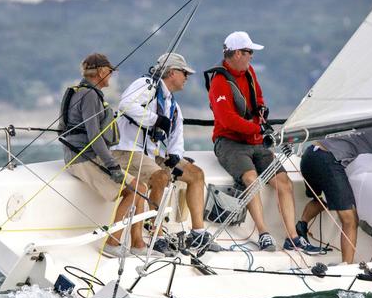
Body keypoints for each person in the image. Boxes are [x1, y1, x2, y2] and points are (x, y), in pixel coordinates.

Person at [206, 31, 320, 254]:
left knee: (284, 183)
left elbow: (258, 97)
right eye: (249, 52)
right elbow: (227, 120)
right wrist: (257, 129)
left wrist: (261, 109)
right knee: (251, 179)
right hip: (230, 143)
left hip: (255, 140)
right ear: (237, 53)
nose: (252, 56)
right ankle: (263, 233)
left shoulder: (249, 72)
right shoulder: (219, 82)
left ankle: (293, 238)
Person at [111, 52, 208, 249]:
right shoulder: (146, 85)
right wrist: (155, 120)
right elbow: (125, 105)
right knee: (161, 177)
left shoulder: (172, 104)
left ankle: (198, 233)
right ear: (172, 72)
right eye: (185, 73)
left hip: (150, 154)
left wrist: (175, 155)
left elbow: (176, 134)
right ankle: (156, 233)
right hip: (127, 150)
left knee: (196, 174)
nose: (187, 77)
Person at [59, 53, 150, 258]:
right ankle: (112, 243)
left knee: (140, 188)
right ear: (100, 72)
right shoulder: (90, 96)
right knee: (137, 190)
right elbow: (95, 136)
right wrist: (112, 165)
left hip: (81, 155)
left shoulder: (82, 92)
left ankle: (138, 244)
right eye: (109, 71)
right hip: (83, 159)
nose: (111, 75)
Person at [297, 126, 372, 264]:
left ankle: (301, 227)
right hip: (326, 159)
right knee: (350, 219)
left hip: (310, 154)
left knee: (323, 199)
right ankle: (346, 265)